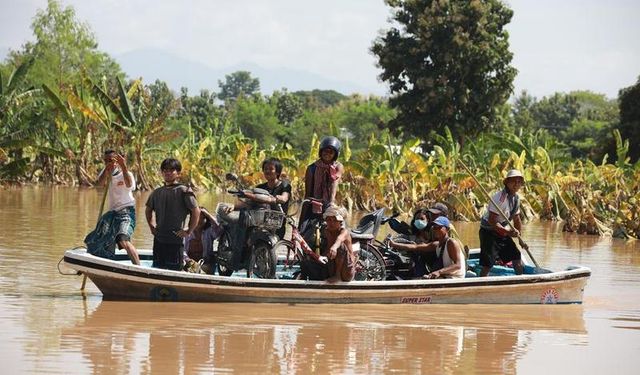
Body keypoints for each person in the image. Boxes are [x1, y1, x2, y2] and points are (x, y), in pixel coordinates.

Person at [84, 150, 140, 265]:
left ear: (118, 161)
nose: (108, 163)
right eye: (105, 161)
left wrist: (123, 166)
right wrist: (107, 169)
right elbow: (99, 184)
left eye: (111, 160)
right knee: (98, 239)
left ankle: (139, 268)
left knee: (123, 239)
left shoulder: (127, 174)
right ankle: (105, 262)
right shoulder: (106, 173)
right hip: (112, 213)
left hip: (127, 213)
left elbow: (129, 185)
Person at [145, 158, 200, 271]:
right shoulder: (157, 192)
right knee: (157, 269)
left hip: (175, 239)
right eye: (165, 170)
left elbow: (196, 211)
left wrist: (189, 230)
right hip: (159, 239)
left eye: (171, 170)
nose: (168, 172)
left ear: (178, 173)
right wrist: (151, 227)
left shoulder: (184, 191)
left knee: (174, 270)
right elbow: (148, 209)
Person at [479, 169, 527, 277]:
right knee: (488, 262)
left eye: (519, 182)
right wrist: (509, 233)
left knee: (516, 255)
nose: (516, 184)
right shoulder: (500, 198)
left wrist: (520, 238)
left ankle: (520, 280)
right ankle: (481, 283)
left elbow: (517, 219)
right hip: (489, 232)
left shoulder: (516, 199)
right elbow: (492, 221)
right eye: (513, 181)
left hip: (502, 231)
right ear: (507, 182)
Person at [299, 136, 345, 232]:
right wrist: (307, 205)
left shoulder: (338, 166)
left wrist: (331, 202)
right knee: (303, 231)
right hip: (313, 202)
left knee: (337, 231)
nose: (327, 154)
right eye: (325, 151)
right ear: (321, 151)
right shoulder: (312, 168)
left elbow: (334, 181)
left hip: (330, 203)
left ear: (335, 155)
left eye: (331, 152)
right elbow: (308, 192)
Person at [240, 158, 291, 239]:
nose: (267, 171)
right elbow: (248, 201)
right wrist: (234, 206)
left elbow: (285, 197)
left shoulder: (285, 185)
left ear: (277, 172)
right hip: (259, 223)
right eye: (265, 169)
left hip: (277, 225)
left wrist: (279, 198)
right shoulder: (260, 187)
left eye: (271, 169)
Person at [182, 207, 222, 273]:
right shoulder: (185, 233)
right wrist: (188, 260)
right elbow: (182, 251)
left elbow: (219, 230)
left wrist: (208, 215)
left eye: (202, 218)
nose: (199, 221)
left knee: (205, 268)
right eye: (197, 218)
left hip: (205, 264)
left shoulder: (209, 232)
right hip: (188, 264)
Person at [322, 205, 356, 282]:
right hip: (333, 267)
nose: (331, 223)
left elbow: (339, 240)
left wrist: (334, 247)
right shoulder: (327, 231)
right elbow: (329, 249)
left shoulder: (344, 232)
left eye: (334, 220)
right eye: (329, 220)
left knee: (340, 246)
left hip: (347, 271)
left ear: (340, 222)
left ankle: (337, 276)